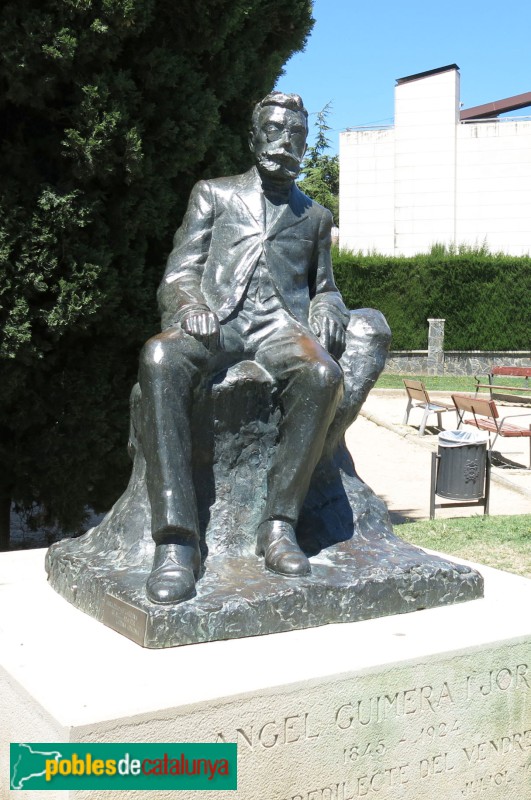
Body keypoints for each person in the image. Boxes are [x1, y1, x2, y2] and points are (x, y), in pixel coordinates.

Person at [139, 91, 350, 604]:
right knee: (159, 357)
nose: (285, 143)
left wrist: (327, 309)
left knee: (322, 376)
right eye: (274, 132)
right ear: (253, 137)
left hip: (279, 328)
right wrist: (190, 303)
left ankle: (278, 524)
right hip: (218, 322)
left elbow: (325, 287)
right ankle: (176, 541)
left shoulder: (315, 217)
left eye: (296, 135)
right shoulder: (214, 194)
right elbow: (179, 272)